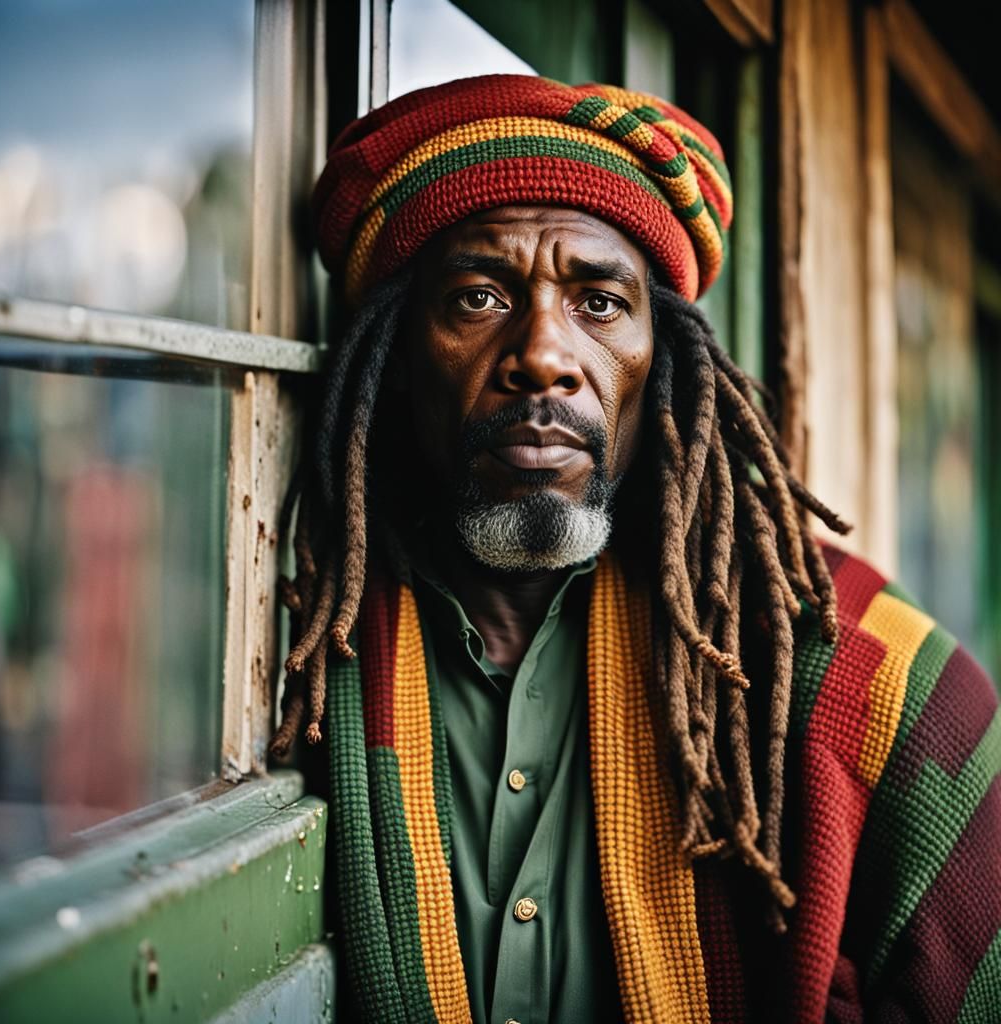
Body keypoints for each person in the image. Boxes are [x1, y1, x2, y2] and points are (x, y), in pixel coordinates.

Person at [269, 74, 1001, 1023]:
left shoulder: (872, 683)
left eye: (601, 303)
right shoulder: (298, 657)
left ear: (664, 364)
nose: (544, 352)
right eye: (480, 297)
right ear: (398, 357)